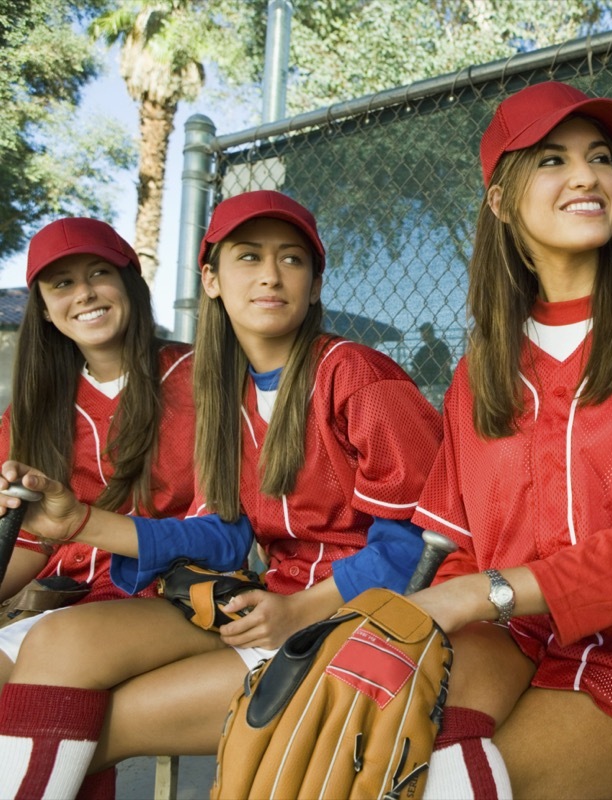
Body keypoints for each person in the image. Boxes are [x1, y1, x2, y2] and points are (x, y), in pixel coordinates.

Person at [0, 190, 442, 800]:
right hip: (273, 610)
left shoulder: (353, 373)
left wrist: (300, 608)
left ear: (315, 284)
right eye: (247, 257)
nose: (269, 275)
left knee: (67, 709)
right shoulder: (228, 387)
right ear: (209, 278)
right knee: (56, 713)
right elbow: (239, 530)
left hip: (359, 622)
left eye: (291, 259)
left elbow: (424, 544)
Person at [405, 80, 612, 800]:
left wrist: (478, 596)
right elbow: (464, 547)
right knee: (371, 756)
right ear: (500, 199)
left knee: (447, 790)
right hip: (514, 643)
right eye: (553, 159)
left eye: (601, 159)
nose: (587, 175)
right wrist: (438, 616)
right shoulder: (480, 367)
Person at [0, 218, 195, 685]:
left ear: (130, 282)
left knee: (56, 656)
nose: (84, 293)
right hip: (68, 594)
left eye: (98, 273)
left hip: (175, 591)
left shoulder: (201, 375)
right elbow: (29, 540)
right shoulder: (31, 411)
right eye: (62, 283)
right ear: (45, 309)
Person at [410, 321, 453, 389]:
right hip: (424, 384)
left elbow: (448, 361)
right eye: (421, 332)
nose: (422, 334)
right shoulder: (423, 350)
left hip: (439, 383)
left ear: (431, 332)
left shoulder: (440, 345)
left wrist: (443, 374)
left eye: (424, 331)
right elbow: (414, 368)